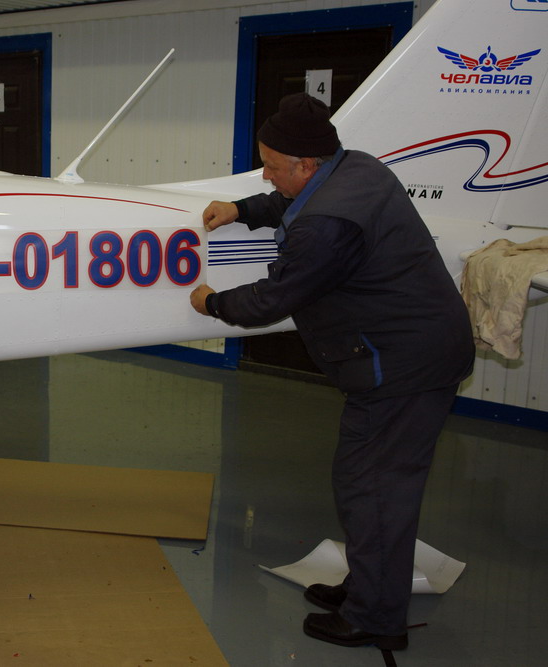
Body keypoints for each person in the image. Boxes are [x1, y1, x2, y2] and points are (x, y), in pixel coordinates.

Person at [190, 94, 474, 651]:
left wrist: (212, 303)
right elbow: (291, 199)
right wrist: (242, 210)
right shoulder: (357, 167)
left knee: (374, 489)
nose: (266, 175)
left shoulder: (327, 225)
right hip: (418, 348)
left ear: (306, 164)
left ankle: (376, 618)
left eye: (271, 166)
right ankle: (370, 586)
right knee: (366, 483)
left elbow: (273, 298)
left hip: (404, 366)